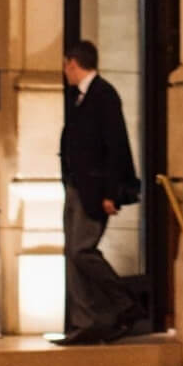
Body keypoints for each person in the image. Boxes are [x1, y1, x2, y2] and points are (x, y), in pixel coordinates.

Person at [52, 39, 143, 345]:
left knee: (81, 250)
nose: (65, 72)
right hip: (77, 187)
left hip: (94, 190)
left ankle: (123, 302)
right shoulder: (79, 97)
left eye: (66, 66)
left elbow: (115, 147)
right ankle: (85, 322)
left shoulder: (104, 95)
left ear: (73, 64)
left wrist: (111, 194)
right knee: (72, 253)